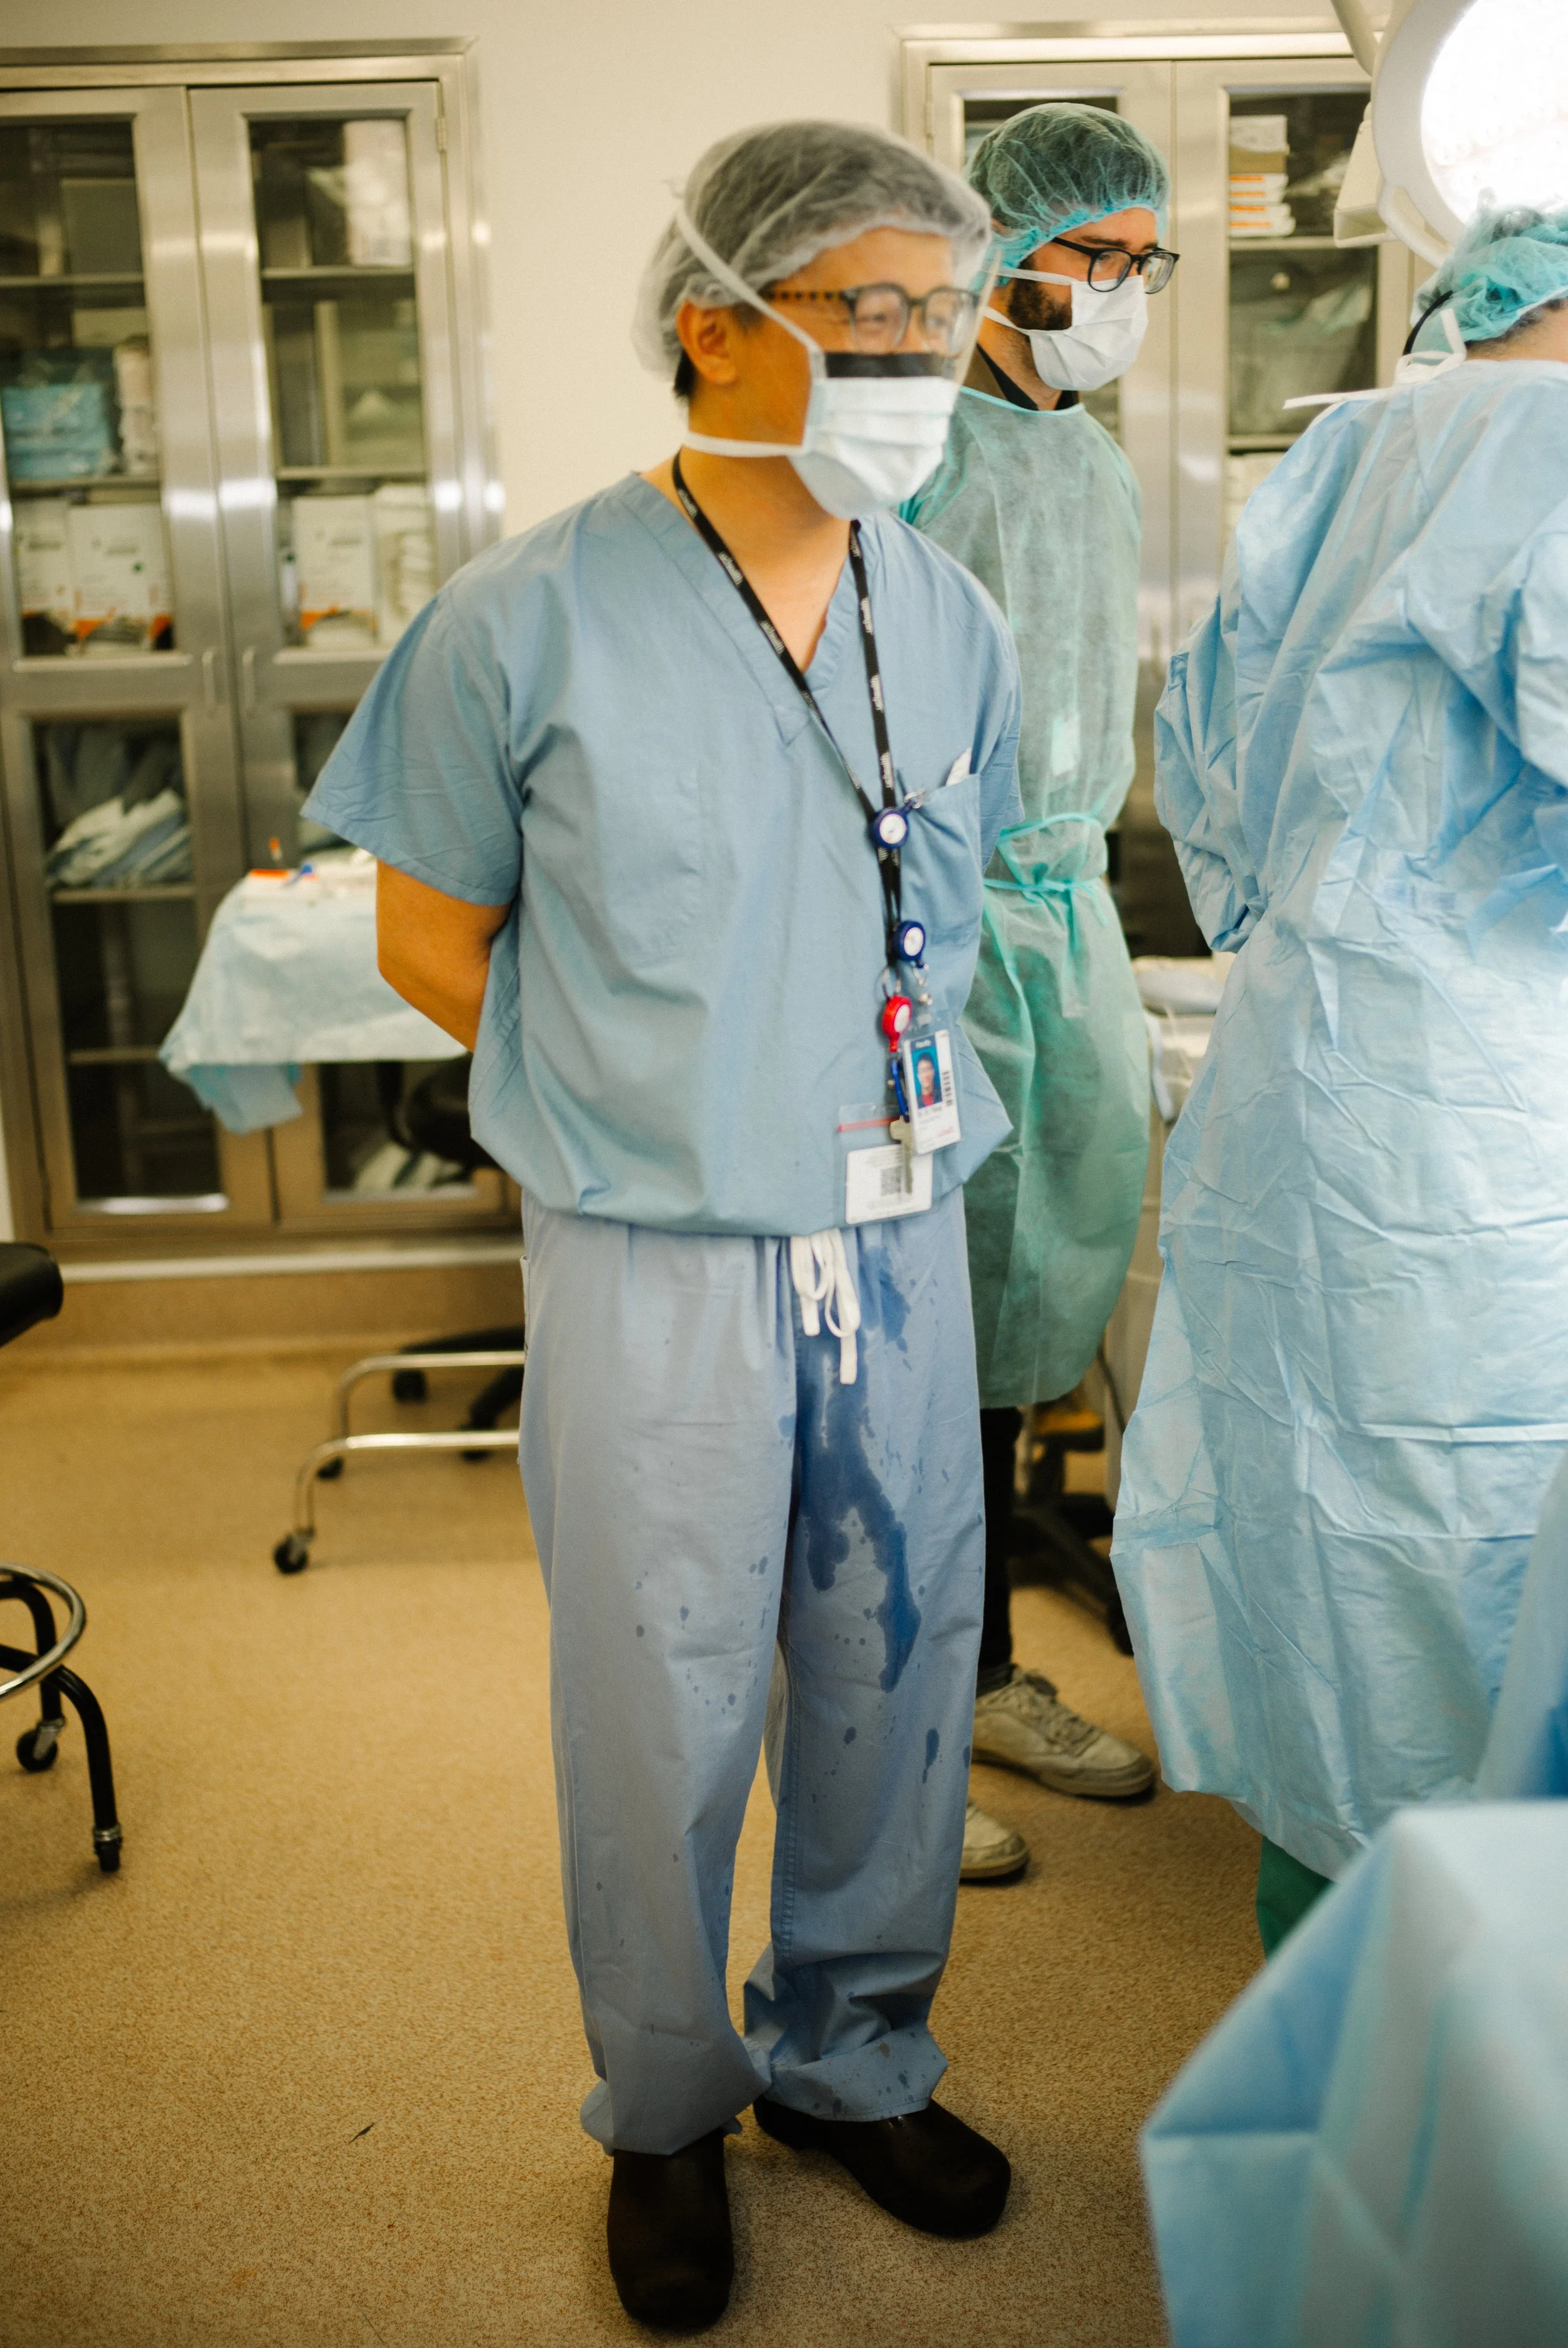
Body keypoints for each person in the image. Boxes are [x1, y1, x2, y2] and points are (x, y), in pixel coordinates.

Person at [304, 121, 1023, 2332]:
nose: (920, 354)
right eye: (869, 312)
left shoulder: (945, 601)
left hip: (893, 1225)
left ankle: (850, 2050)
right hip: (656, 1248)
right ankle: (666, 2102)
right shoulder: (525, 611)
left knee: (893, 1679)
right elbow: (434, 934)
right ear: (715, 319)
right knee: (658, 1694)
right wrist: (645, 1089)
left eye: (939, 312)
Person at [1111, 203, 1568, 1956]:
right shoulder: (1544, 457)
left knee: (1328, 1518)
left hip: (1312, 1069)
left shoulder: (1341, 453)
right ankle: (1474, 2015)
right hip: (1488, 1112)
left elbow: (1205, 764)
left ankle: (1326, 1955)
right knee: (1478, 1526)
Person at [904, 102, 1166, 1881]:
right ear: (1006, 252)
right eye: (1103, 260)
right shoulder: (918, 453)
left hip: (1064, 911)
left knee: (1026, 1319)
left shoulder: (1094, 457)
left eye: (1151, 265)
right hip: (938, 918)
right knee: (924, 1354)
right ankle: (902, 1724)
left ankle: (987, 1671)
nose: (1126, 295)